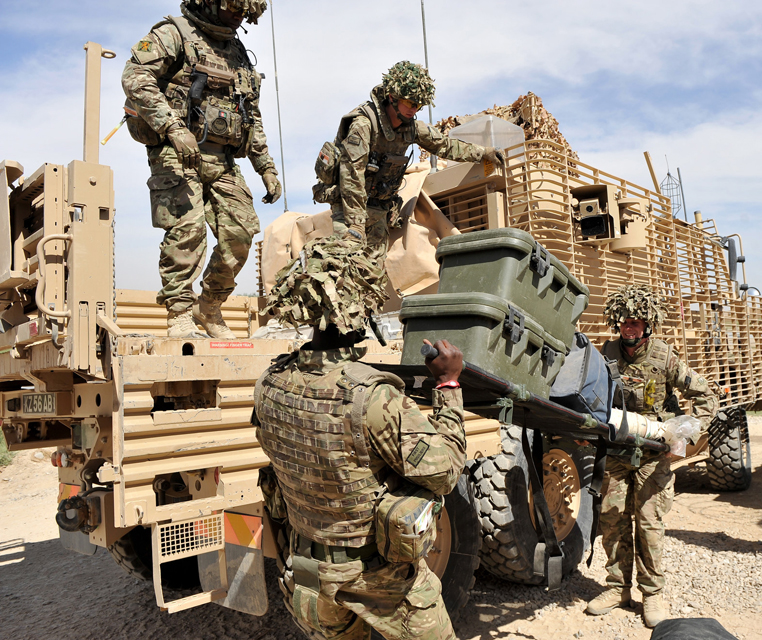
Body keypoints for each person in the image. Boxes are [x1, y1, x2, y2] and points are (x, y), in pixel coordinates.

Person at [254, 239, 467, 639]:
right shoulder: (372, 396)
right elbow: (446, 472)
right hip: (377, 577)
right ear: (360, 307)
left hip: (308, 573)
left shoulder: (269, 384)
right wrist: (448, 383)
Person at [121, 0, 282, 338]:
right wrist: (173, 128)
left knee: (241, 232)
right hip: (176, 152)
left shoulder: (236, 51)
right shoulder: (173, 33)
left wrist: (265, 166)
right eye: (234, 10)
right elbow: (135, 76)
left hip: (221, 160)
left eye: (245, 14)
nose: (239, 18)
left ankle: (208, 306)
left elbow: (250, 114)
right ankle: (179, 311)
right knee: (187, 231)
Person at [312, 61, 505, 300]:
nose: (414, 109)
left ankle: (359, 324)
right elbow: (351, 177)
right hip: (350, 207)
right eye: (410, 103)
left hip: (379, 208)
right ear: (393, 96)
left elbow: (444, 145)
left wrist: (483, 153)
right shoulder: (364, 125)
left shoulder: (410, 128)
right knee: (345, 270)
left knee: (371, 276)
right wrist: (355, 226)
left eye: (419, 105)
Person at [586, 284, 719, 628]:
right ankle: (618, 588)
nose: (629, 328)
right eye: (625, 322)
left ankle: (652, 594)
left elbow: (705, 394)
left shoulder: (664, 356)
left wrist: (688, 433)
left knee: (649, 524)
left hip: (652, 454)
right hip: (617, 450)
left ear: (648, 325)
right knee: (613, 520)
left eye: (636, 322)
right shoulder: (608, 353)